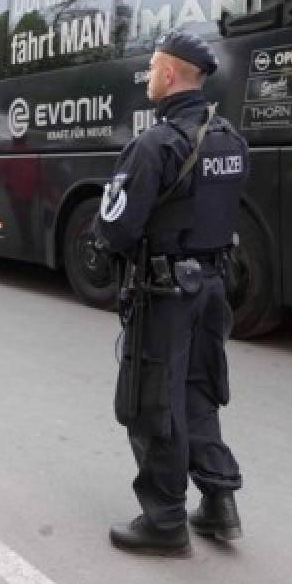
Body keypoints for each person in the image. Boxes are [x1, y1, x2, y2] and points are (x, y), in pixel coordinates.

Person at [93, 30, 250, 556]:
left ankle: (163, 520)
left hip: (166, 293)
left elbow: (116, 227)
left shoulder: (155, 144)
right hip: (212, 287)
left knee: (152, 399)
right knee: (199, 392)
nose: (149, 77)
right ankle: (219, 504)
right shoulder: (230, 137)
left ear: (168, 74)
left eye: (153, 66)